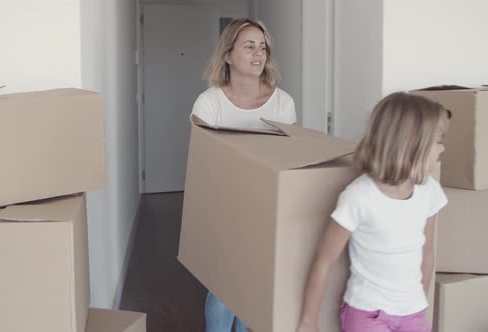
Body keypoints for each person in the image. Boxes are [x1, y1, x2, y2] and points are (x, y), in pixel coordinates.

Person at [297, 92, 451, 332]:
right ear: (412, 145)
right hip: (369, 314)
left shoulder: (430, 191)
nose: (442, 149)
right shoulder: (359, 197)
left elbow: (427, 251)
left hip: (413, 313)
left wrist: (420, 305)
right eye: (437, 141)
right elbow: (323, 261)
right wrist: (309, 322)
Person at [189, 17, 297, 332]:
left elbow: (287, 163)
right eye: (249, 46)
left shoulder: (282, 102)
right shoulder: (209, 103)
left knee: (255, 297)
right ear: (227, 55)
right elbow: (203, 166)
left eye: (262, 47)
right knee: (224, 294)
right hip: (224, 211)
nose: (258, 54)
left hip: (267, 211)